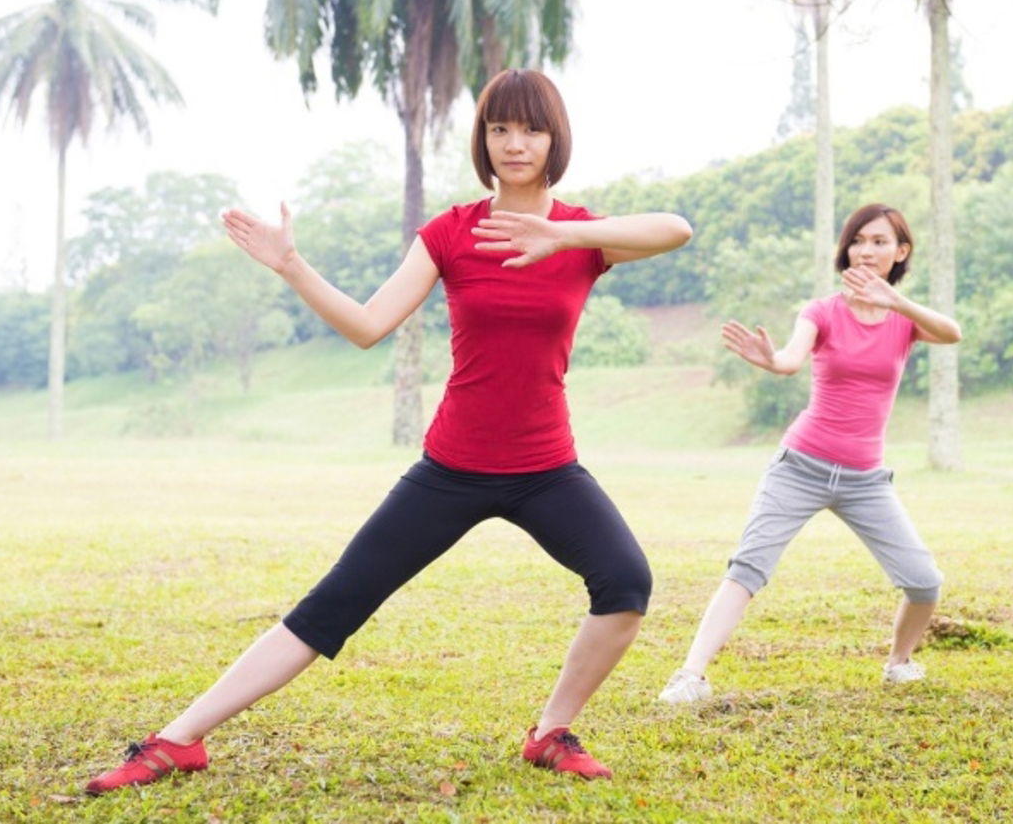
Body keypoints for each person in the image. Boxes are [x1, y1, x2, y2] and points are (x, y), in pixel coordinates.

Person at [85, 68, 693, 794]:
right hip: (452, 466)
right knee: (333, 604)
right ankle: (176, 740)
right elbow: (370, 325)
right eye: (499, 128)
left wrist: (563, 234)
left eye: (530, 128)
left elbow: (676, 230)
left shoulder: (586, 237)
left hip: (545, 467)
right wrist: (292, 265)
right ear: (483, 139)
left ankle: (549, 732)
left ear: (554, 136)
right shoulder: (451, 233)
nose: (514, 142)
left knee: (625, 581)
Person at [658, 203, 960, 705]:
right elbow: (791, 358)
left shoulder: (905, 322)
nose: (866, 250)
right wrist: (771, 360)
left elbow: (953, 332)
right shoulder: (822, 310)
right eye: (859, 240)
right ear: (847, 248)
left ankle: (899, 663)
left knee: (924, 581)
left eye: (880, 241)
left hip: (866, 479)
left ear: (900, 252)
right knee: (747, 568)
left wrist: (898, 303)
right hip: (801, 466)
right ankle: (691, 675)